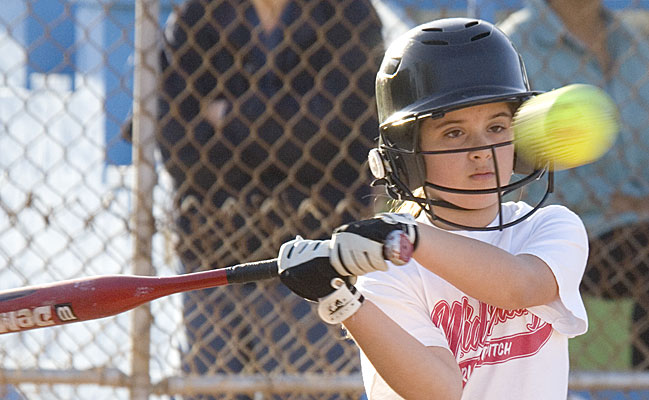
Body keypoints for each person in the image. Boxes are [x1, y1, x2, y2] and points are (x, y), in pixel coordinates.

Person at [277, 18, 589, 399]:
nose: (481, 150)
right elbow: (439, 391)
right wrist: (343, 301)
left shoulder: (549, 227)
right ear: (409, 156)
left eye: (497, 127)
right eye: (454, 133)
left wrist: (410, 236)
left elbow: (522, 286)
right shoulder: (389, 268)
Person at [155, 0, 384, 395]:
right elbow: (178, 142)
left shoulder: (347, 13)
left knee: (312, 387)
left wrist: (229, 117)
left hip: (314, 251)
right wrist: (288, 138)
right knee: (211, 387)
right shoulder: (199, 15)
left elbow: (343, 132)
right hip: (213, 245)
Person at [498, 0, 649, 369]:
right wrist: (610, 201)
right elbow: (508, 164)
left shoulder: (632, 40)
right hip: (564, 225)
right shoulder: (512, 48)